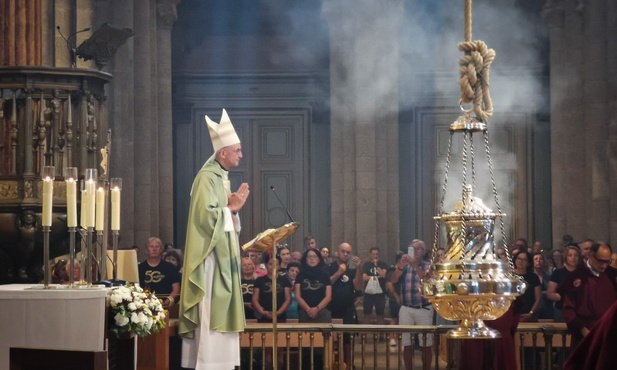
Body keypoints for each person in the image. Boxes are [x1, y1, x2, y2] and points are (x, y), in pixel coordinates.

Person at [179, 109, 250, 370]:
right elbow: (203, 218)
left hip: (223, 258)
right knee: (210, 310)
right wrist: (230, 209)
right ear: (222, 153)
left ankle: (222, 364)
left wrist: (234, 211)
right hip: (209, 260)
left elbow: (226, 217)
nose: (241, 154)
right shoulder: (206, 178)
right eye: (238, 150)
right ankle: (208, 364)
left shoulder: (221, 177)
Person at [558, 242, 617, 350]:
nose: (604, 266)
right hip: (585, 336)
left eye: (607, 261)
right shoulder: (575, 277)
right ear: (590, 255)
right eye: (600, 261)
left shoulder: (613, 276)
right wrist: (583, 330)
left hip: (610, 335)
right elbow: (568, 309)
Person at [390, 239, 434, 370]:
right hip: (406, 308)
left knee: (426, 343)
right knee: (406, 342)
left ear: (424, 251)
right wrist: (400, 267)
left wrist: (415, 266)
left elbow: (427, 279)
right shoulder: (404, 266)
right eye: (412, 248)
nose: (415, 251)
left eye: (418, 248)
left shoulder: (428, 265)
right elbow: (393, 280)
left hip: (424, 307)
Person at [327, 242, 362, 367]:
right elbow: (327, 284)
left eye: (348, 252)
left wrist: (359, 269)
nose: (345, 254)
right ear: (338, 252)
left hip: (347, 309)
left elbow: (358, 286)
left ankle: (348, 364)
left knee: (347, 340)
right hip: (331, 308)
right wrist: (338, 272)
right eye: (343, 251)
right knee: (330, 339)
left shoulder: (352, 270)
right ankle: (331, 365)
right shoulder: (329, 267)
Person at [138, 237, 180, 309]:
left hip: (166, 306)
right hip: (144, 306)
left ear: (161, 250)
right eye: (151, 246)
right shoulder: (139, 268)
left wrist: (168, 301)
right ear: (146, 250)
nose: (154, 249)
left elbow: (176, 289)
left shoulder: (170, 267)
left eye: (157, 247)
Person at [295, 248, 332, 323]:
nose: (312, 259)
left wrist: (317, 309)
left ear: (319, 259)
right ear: (305, 259)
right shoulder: (300, 275)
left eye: (314, 256)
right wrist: (309, 310)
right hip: (305, 311)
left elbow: (328, 296)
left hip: (322, 311)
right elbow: (298, 296)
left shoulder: (325, 275)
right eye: (309, 257)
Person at [546, 244, 580, 322]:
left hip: (579, 310)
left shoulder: (583, 273)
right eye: (570, 255)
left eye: (576, 255)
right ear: (565, 257)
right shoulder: (558, 273)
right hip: (562, 310)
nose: (573, 258)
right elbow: (550, 294)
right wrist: (567, 297)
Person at [361, 246, 388, 325]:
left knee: (380, 314)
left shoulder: (383, 264)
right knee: (366, 314)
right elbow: (364, 277)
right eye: (373, 254)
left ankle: (381, 335)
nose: (375, 256)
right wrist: (376, 277)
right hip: (368, 293)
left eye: (377, 254)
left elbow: (383, 275)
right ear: (370, 255)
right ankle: (365, 334)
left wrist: (376, 266)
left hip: (380, 293)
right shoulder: (366, 265)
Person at [513, 251, 541, 322]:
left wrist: (530, 313)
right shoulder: (509, 276)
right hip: (512, 314)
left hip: (529, 314)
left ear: (528, 263)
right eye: (519, 259)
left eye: (524, 260)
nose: (521, 261)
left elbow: (538, 298)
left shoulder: (533, 277)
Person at [532, 252, 553, 319]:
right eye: (536, 259)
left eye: (540, 259)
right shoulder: (530, 277)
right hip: (533, 308)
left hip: (547, 309)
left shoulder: (549, 277)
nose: (538, 260)